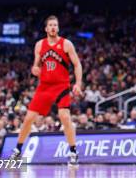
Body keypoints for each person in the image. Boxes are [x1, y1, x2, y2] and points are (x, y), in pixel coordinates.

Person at [10, 15, 83, 166]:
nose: (53, 27)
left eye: (55, 25)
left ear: (58, 28)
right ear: (46, 28)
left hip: (61, 85)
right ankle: (17, 151)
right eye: (50, 25)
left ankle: (73, 152)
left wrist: (78, 83)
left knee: (64, 117)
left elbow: (77, 65)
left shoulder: (66, 44)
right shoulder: (39, 45)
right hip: (44, 86)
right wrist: (35, 69)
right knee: (29, 118)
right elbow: (35, 66)